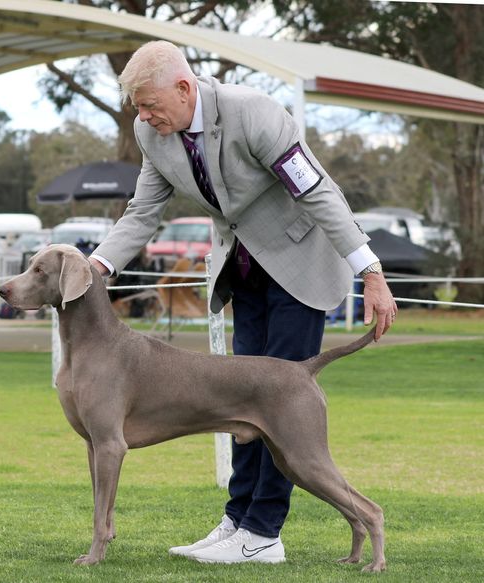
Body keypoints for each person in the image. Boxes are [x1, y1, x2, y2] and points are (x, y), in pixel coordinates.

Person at [89, 40, 397, 565]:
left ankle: (262, 534)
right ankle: (236, 521)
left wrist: (370, 271)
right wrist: (95, 268)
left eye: (149, 105)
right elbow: (142, 212)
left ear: (184, 88)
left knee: (279, 403)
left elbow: (316, 190)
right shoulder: (151, 133)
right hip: (245, 273)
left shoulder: (253, 112)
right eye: (137, 108)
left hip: (300, 268)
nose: (143, 117)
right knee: (239, 400)